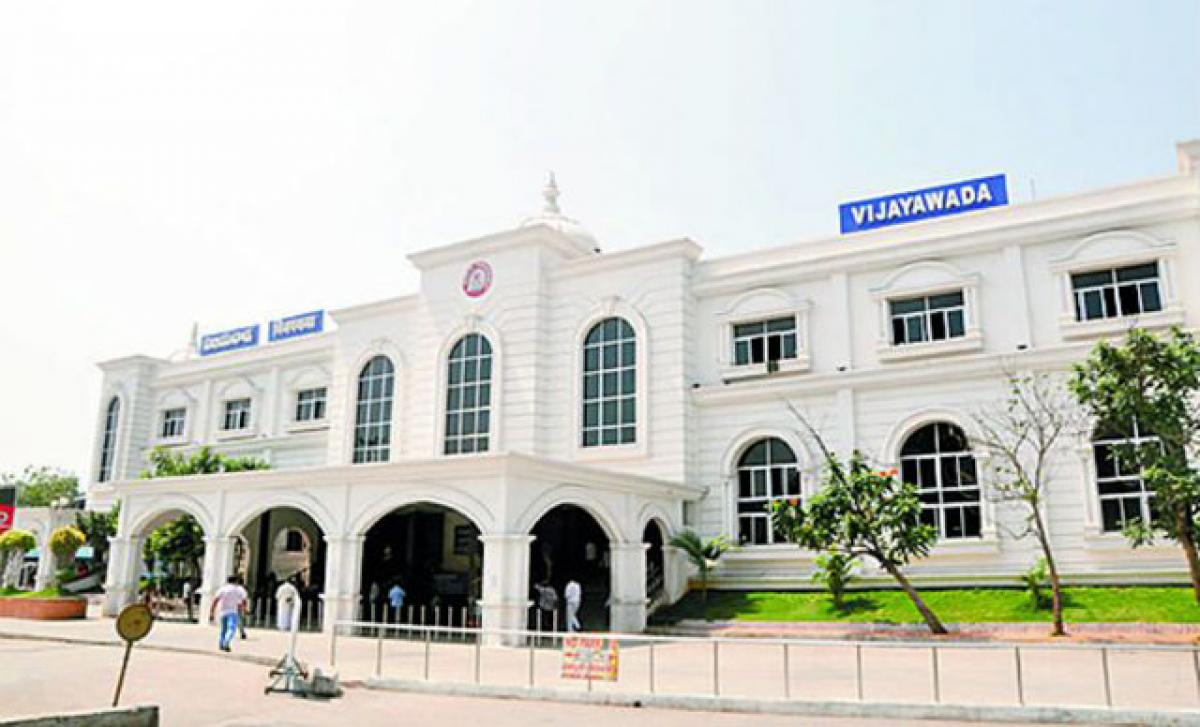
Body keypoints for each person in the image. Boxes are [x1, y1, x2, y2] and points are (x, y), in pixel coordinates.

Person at [209, 575, 248, 652]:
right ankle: (226, 642)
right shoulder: (239, 589)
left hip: (223, 612)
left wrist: (212, 612)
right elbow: (244, 600)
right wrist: (245, 609)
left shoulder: (222, 589)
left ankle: (221, 644)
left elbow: (215, 600)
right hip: (233, 612)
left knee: (223, 629)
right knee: (231, 628)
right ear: (236, 581)